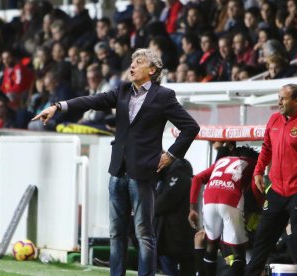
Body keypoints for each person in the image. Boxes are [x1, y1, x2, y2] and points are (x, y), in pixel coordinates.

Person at [32, 48, 200, 276]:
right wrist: (58, 106)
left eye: (138, 62)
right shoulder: (122, 90)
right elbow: (91, 101)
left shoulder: (164, 96)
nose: (132, 65)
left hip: (143, 173)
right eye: (132, 61)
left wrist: (170, 155)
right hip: (118, 171)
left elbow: (191, 127)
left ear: (152, 70)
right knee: (116, 233)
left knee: (144, 233)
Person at [245, 84, 297, 276]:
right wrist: (258, 171)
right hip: (276, 190)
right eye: (279, 97)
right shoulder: (274, 120)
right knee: (262, 239)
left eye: (283, 98)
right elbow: (266, 148)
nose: (279, 102)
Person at [189, 146, 261, 276]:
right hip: (230, 199)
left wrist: (193, 209)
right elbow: (255, 187)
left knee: (211, 246)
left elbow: (196, 179)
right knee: (239, 253)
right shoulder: (254, 163)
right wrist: (261, 205)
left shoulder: (221, 161)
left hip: (209, 199)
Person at [155, 156, 195, 276]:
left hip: (174, 236)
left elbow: (165, 201)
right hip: (176, 236)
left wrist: (144, 211)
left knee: (172, 267)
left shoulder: (177, 176)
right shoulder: (169, 176)